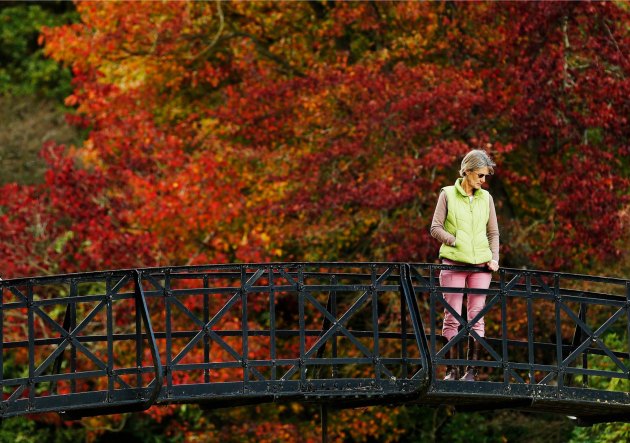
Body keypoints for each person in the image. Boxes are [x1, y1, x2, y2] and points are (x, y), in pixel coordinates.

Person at [430, 149, 500, 381]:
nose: (483, 180)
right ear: (467, 171)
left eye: (485, 176)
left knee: (476, 316)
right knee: (451, 316)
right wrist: (454, 240)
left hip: (481, 266)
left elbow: (493, 232)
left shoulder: (486, 198)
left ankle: (471, 372)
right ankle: (452, 370)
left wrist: (495, 258)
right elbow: (435, 227)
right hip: (453, 263)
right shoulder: (447, 194)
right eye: (480, 175)